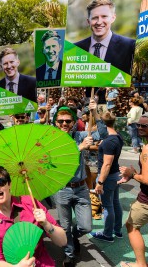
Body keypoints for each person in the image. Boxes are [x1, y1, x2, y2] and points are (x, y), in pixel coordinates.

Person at [52, 101, 107, 267]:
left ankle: (74, 237)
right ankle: (69, 254)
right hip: (62, 189)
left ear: (73, 123)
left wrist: (95, 113)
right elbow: (55, 158)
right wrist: (79, 148)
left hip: (81, 188)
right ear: (55, 123)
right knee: (66, 226)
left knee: (86, 227)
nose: (64, 124)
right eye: (61, 121)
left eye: (68, 121)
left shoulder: (80, 135)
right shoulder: (51, 139)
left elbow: (102, 134)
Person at [0, 164, 67, 267]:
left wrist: (46, 224)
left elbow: (62, 241)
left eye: (1, 182)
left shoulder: (30, 203)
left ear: (9, 184)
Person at [74, 0, 135, 75]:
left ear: (113, 18)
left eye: (104, 16)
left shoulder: (130, 47)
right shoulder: (75, 49)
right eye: (95, 18)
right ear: (88, 21)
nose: (99, 22)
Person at [119, 114, 148, 267]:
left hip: (146, 200)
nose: (140, 128)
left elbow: (147, 179)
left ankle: (140, 264)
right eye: (139, 125)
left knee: (132, 227)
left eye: (145, 126)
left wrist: (133, 174)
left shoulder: (147, 149)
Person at [89, 112, 123, 242]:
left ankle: (107, 234)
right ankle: (117, 230)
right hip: (115, 175)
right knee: (115, 202)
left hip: (107, 177)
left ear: (102, 124)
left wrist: (100, 182)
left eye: (98, 124)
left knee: (108, 205)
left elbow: (107, 164)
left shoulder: (109, 141)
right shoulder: (117, 136)